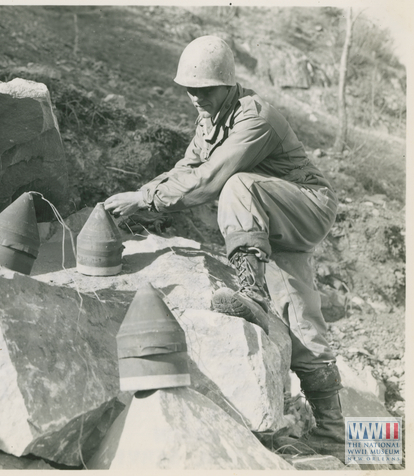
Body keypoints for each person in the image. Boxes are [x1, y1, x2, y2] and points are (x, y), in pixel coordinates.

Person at [104, 36, 344, 458]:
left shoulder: (256, 118)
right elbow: (185, 170)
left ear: (229, 85)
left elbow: (208, 182)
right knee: (302, 319)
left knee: (236, 185)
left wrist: (142, 200)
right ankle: (337, 434)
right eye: (190, 89)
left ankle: (251, 291)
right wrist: (141, 198)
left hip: (308, 205)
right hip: (275, 219)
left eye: (205, 89)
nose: (195, 97)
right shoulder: (208, 122)